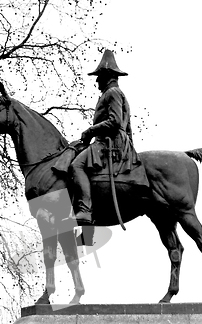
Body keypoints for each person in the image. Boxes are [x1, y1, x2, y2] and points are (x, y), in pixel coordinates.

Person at [70, 49, 140, 224]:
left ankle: (85, 210)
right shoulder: (116, 94)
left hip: (109, 141)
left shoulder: (112, 93)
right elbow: (129, 127)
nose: (97, 80)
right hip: (115, 141)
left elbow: (115, 122)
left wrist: (90, 131)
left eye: (99, 76)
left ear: (107, 75)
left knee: (76, 165)